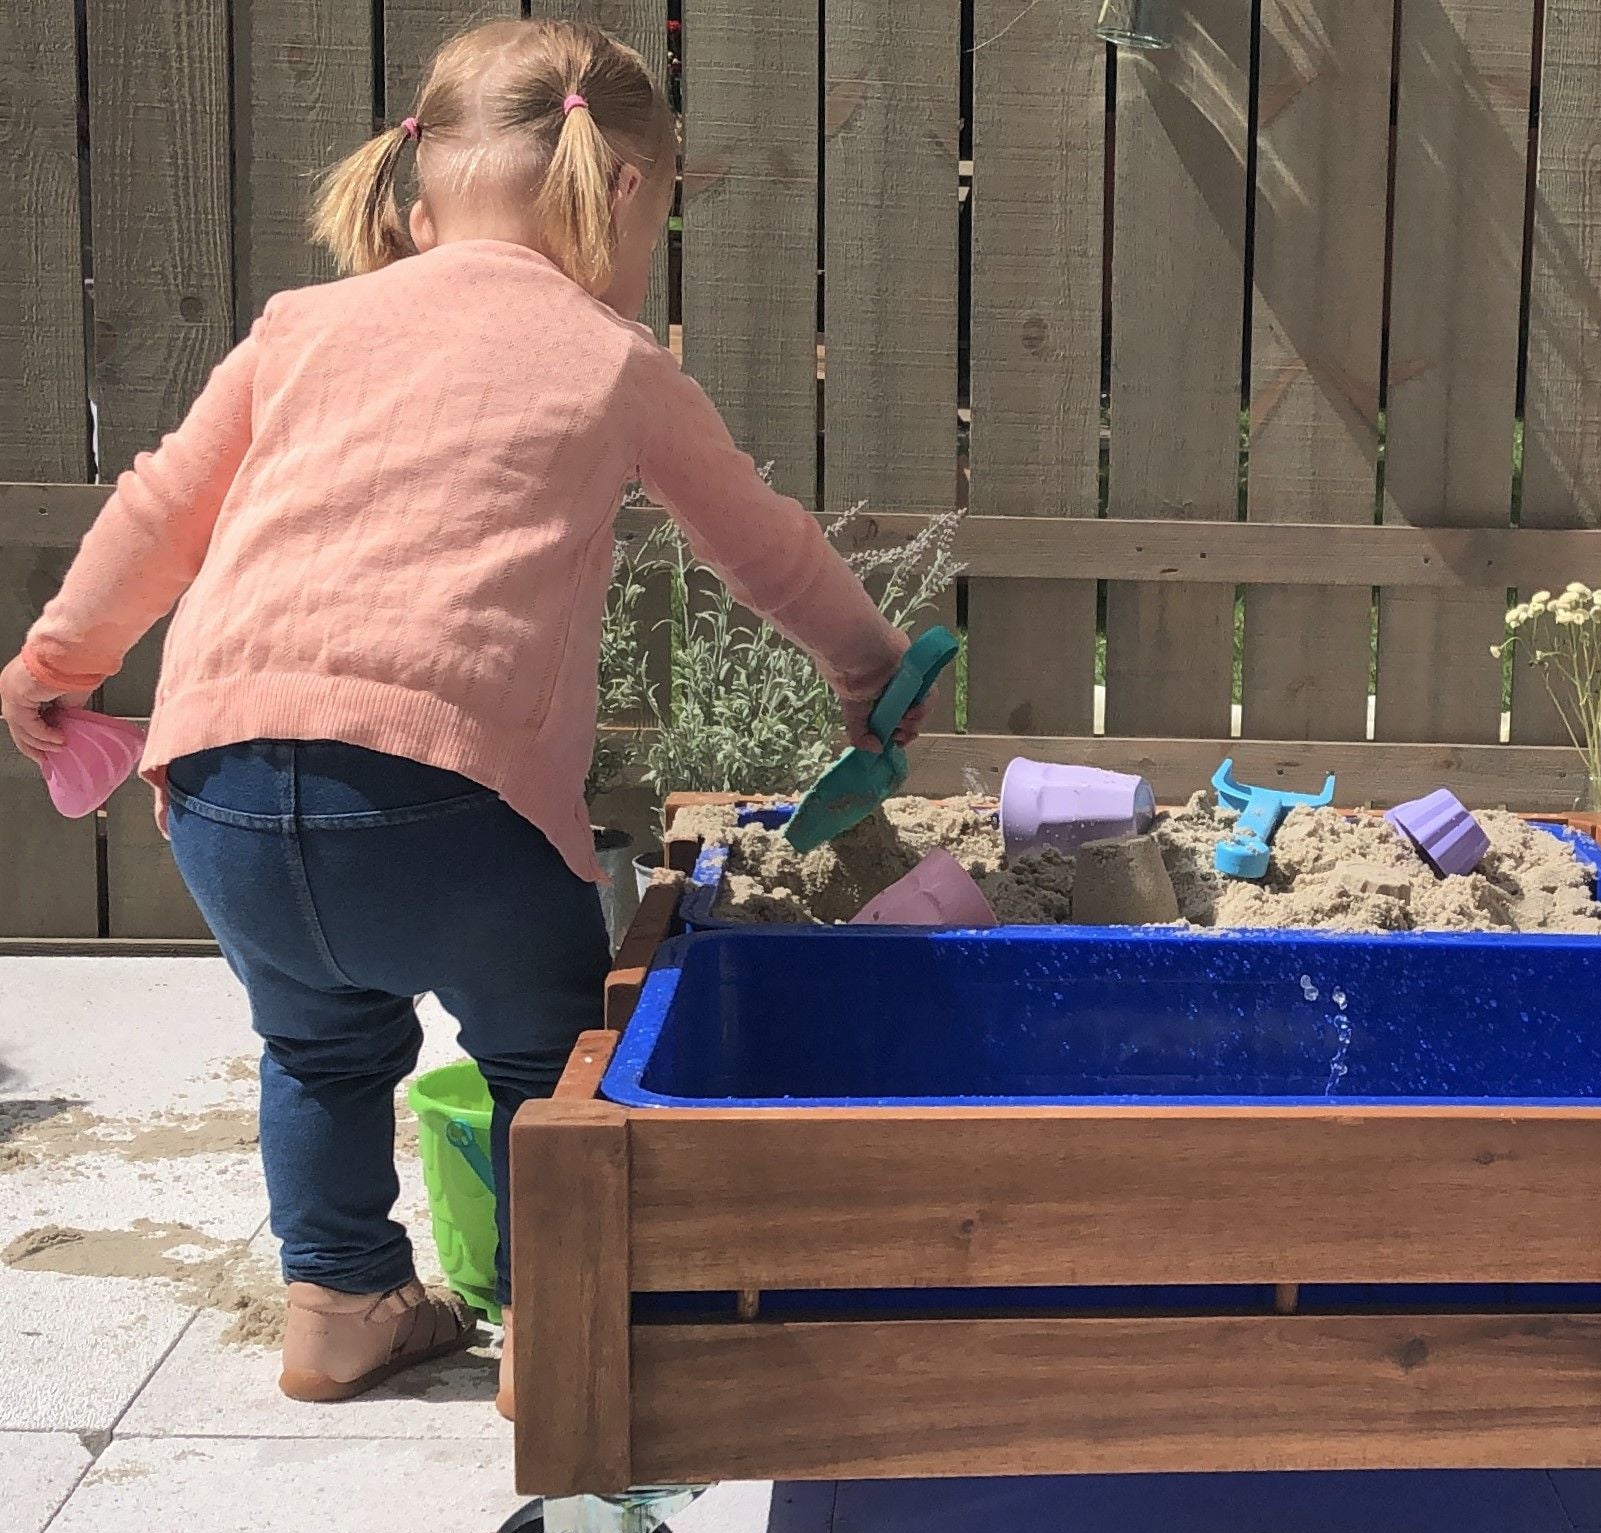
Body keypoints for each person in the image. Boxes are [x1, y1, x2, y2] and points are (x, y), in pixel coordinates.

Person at [0, 19, 915, 1410]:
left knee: (318, 1047)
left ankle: (339, 1305)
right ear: (622, 192)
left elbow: (159, 511)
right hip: (446, 801)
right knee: (548, 1058)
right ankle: (551, 1330)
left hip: (221, 787)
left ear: (417, 187)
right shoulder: (613, 359)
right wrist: (866, 665)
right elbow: (763, 547)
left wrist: (57, 662)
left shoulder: (299, 327)